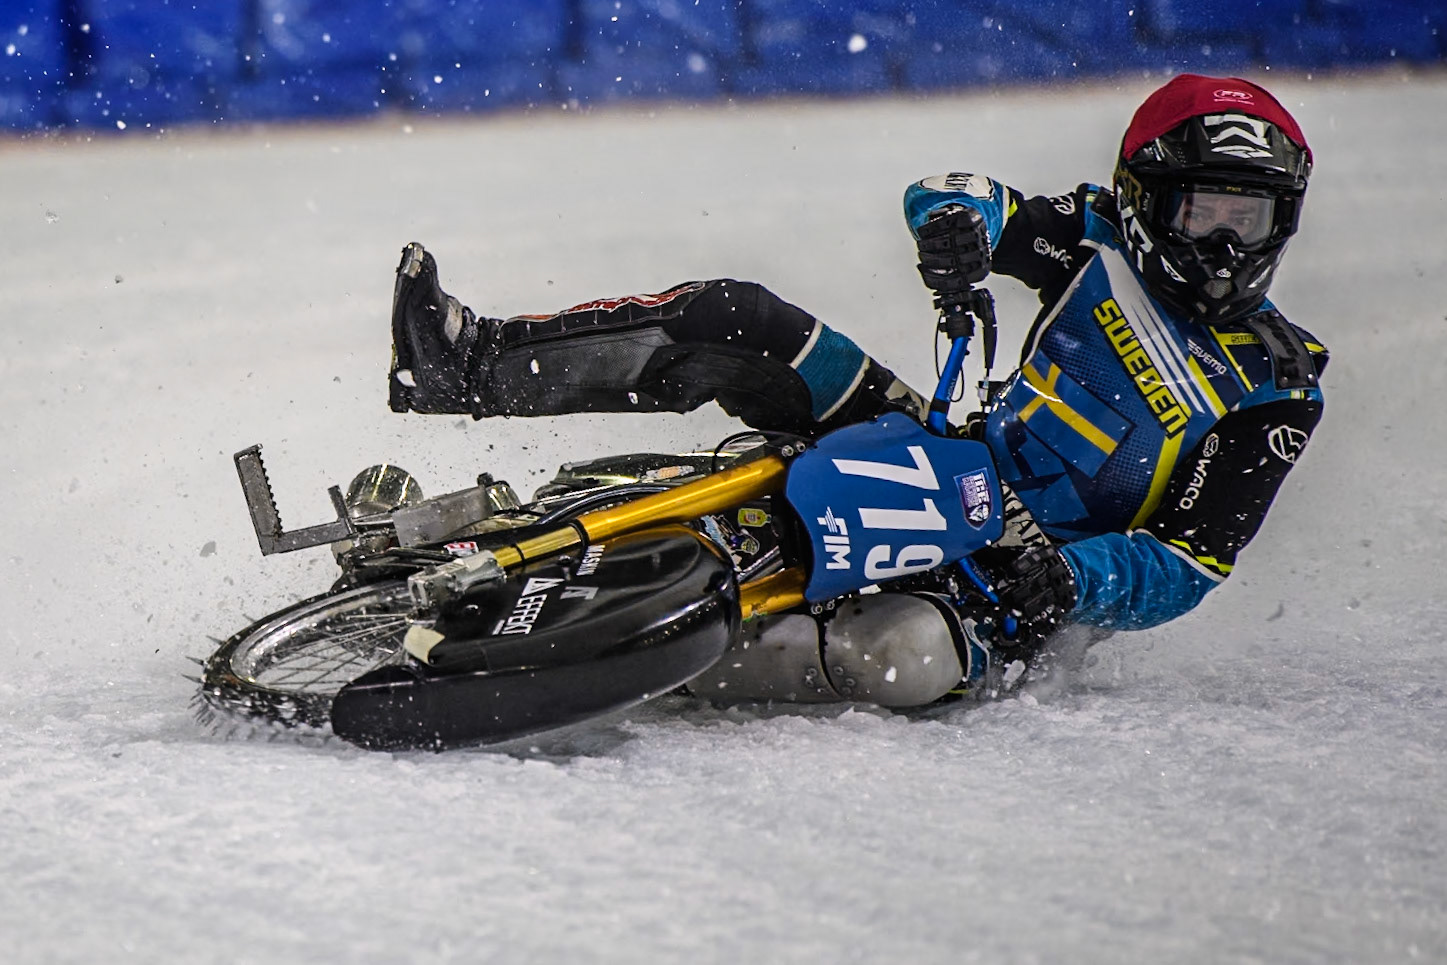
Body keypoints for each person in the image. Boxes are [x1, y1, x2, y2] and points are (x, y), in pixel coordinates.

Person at [387, 73, 1326, 704]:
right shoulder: (1092, 238)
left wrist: (1068, 580)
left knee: (902, 657)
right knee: (739, 318)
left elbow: (1188, 565)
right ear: (1141, 199)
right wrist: (955, 227)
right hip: (941, 454)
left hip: (1005, 578)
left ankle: (638, 657)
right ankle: (465, 363)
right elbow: (959, 193)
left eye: (1250, 218)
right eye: (1203, 210)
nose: (1223, 247)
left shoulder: (1277, 388)